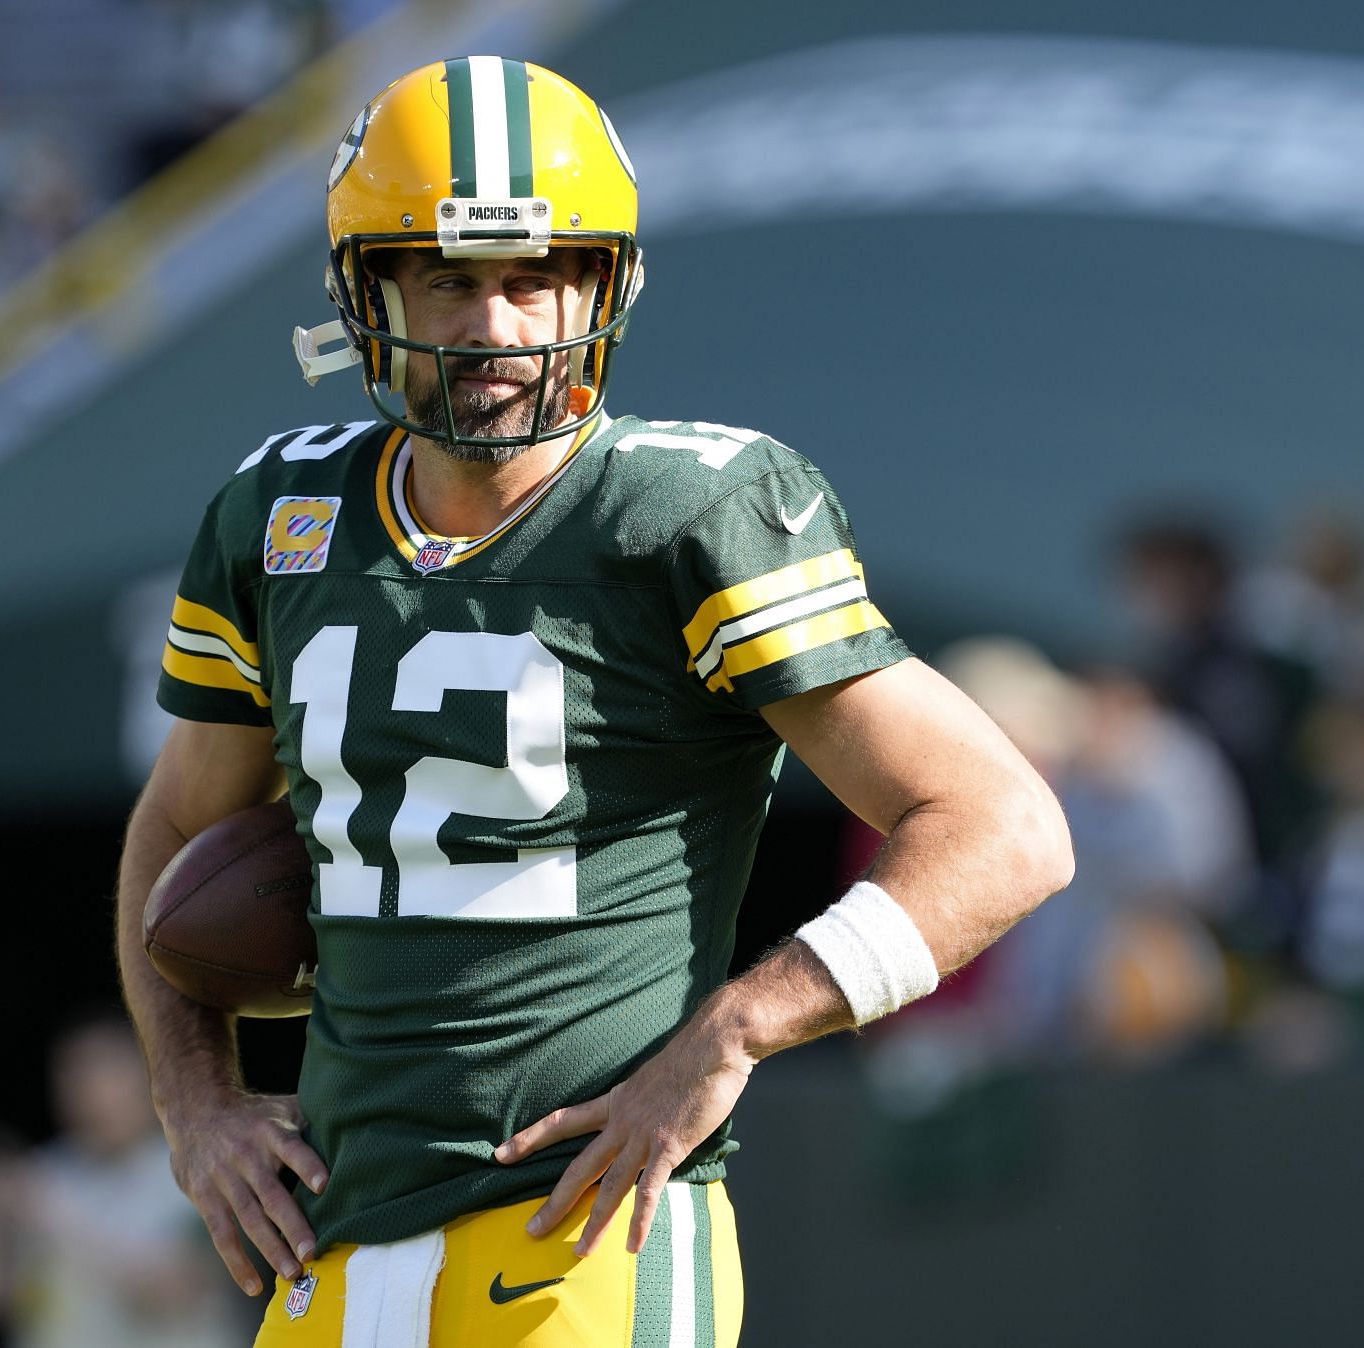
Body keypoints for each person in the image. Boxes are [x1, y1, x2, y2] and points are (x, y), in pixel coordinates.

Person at [113, 56, 1072, 1348]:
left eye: (533, 278)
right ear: (367, 292)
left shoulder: (685, 513)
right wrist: (195, 1100)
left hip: (583, 1231)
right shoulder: (281, 517)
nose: (497, 326)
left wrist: (739, 1027)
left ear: (599, 287)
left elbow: (1006, 827)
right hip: (335, 1243)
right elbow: (175, 828)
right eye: (451, 279)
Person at [0, 1009, 246, 1348]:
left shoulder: (199, 1166)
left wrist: (49, 1211)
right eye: (76, 1075)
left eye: (107, 1071)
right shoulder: (46, 1171)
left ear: (148, 1073)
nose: (93, 1092)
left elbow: (174, 1291)